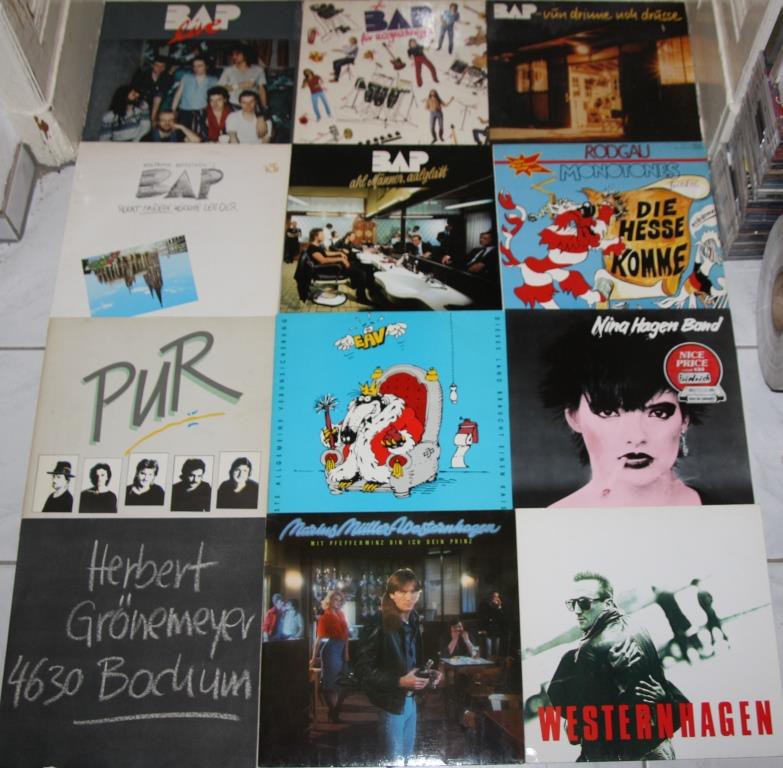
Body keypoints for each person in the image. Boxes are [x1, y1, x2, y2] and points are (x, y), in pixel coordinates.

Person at [541, 323, 705, 508]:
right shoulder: (554, 519)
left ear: (685, 418)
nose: (636, 436)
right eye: (608, 412)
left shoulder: (722, 510)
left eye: (658, 413)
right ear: (574, 417)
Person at [547, 571, 688, 761]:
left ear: (607, 603)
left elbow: (590, 719)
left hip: (628, 755)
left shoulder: (591, 649)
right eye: (573, 604)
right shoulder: (637, 626)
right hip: (659, 747)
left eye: (584, 603)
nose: (577, 611)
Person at [355, 568, 442, 764]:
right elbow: (362, 672)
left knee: (408, 760)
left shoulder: (413, 620)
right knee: (394, 762)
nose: (409, 597)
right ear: (392, 594)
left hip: (411, 702)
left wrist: (428, 673)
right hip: (391, 705)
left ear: (419, 594)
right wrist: (399, 681)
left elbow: (410, 663)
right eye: (402, 592)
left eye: (413, 592)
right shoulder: (377, 623)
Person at [310, 589, 350, 723]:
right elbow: (319, 639)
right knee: (331, 684)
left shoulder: (342, 614)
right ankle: (334, 714)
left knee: (345, 685)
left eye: (340, 600)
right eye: (335, 599)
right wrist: (313, 657)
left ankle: (333, 712)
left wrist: (346, 653)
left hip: (341, 650)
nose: (338, 602)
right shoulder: (324, 617)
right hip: (331, 651)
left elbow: (346, 636)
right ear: (329, 601)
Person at [305, 227, 369, 304]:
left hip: (330, 267)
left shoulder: (316, 246)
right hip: (327, 270)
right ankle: (362, 298)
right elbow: (323, 260)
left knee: (360, 266)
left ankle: (357, 285)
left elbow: (326, 254)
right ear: (316, 236)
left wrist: (339, 253)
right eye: (322, 234)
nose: (324, 236)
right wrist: (340, 259)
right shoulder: (312, 248)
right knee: (361, 273)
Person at [652, 585, 698, 663]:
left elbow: (668, 612)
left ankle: (687, 658)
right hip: (681, 619)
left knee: (681, 641)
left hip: (674, 623)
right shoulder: (668, 594)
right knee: (691, 636)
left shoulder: (659, 599)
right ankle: (698, 650)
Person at [172, 56, 217, 133]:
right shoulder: (186, 77)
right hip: (185, 112)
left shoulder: (213, 80)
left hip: (202, 112)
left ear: (206, 67)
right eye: (194, 66)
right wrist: (172, 110)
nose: (196, 69)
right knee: (182, 134)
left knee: (199, 134)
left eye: (199, 66)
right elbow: (178, 94)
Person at [131, 54, 174, 126]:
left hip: (157, 105)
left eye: (162, 66)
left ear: (165, 68)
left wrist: (153, 118)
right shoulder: (142, 74)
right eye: (157, 65)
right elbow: (134, 90)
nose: (159, 68)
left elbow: (159, 96)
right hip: (140, 101)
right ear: (152, 65)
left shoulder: (167, 78)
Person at [691, 578, 730, 650]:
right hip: (709, 611)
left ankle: (720, 642)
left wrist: (707, 606)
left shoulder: (701, 593)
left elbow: (705, 601)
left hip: (709, 611)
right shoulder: (701, 593)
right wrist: (708, 606)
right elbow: (707, 600)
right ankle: (724, 642)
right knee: (716, 627)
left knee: (713, 628)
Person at [478, 591, 507, 658]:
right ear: (491, 596)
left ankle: (496, 658)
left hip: (496, 628)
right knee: (488, 645)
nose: (496, 598)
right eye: (495, 596)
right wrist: (499, 606)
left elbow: (501, 616)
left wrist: (499, 606)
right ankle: (489, 659)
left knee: (497, 644)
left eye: (497, 596)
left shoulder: (498, 605)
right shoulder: (486, 604)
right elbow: (491, 614)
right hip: (488, 627)